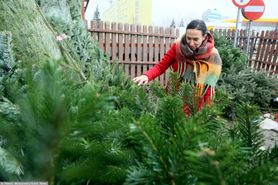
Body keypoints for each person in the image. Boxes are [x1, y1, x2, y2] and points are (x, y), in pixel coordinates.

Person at [132, 19, 222, 115]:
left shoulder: (213, 56)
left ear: (204, 37)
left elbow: (209, 86)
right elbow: (161, 66)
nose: (191, 43)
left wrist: (207, 111)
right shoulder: (178, 47)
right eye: (188, 38)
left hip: (196, 103)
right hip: (174, 95)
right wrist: (147, 76)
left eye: (195, 39)